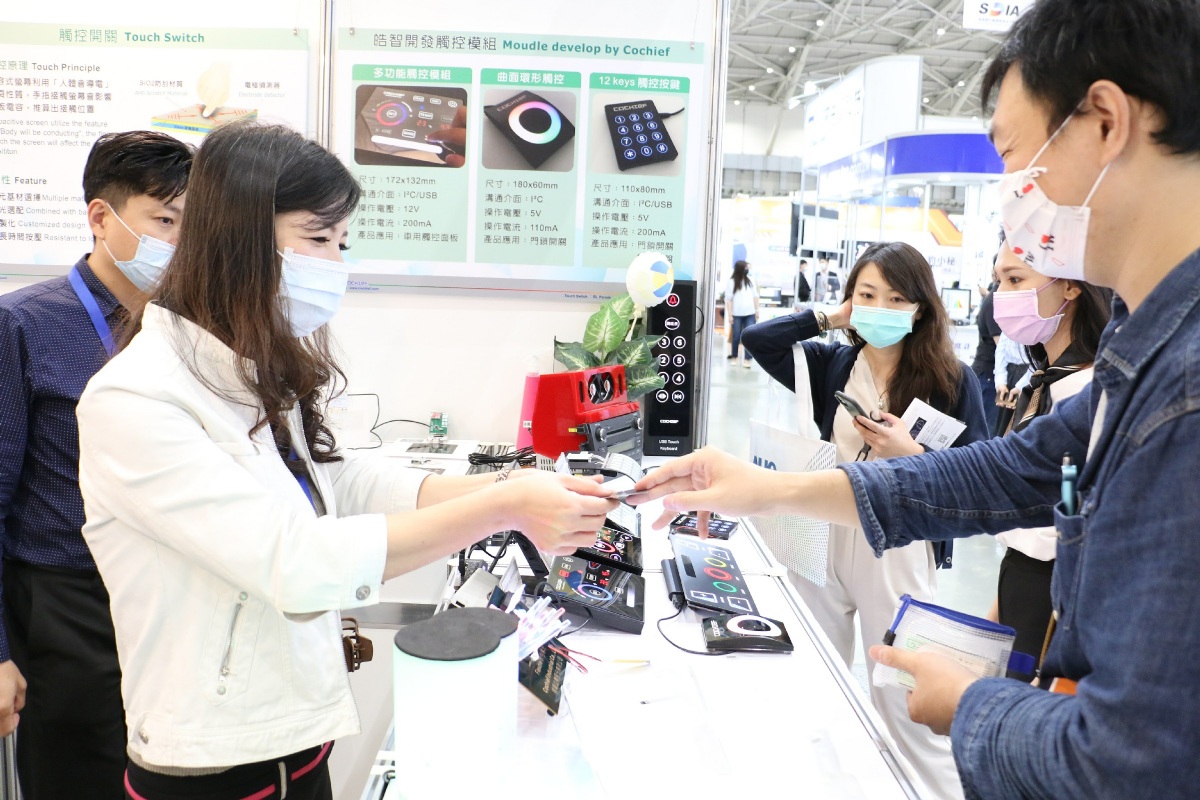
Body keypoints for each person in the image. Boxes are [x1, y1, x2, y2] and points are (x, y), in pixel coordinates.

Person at [631, 0, 1200, 795]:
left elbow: (1133, 759)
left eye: (1015, 157)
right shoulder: (1141, 353)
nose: (1011, 194)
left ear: (1105, 122)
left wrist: (972, 706)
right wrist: (766, 488)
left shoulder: (1181, 392)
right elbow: (1004, 472)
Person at [74, 123, 616, 800]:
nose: (334, 263)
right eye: (318, 238)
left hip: (299, 736)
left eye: (342, 243)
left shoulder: (245, 367)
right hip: (212, 759)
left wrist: (506, 484)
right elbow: (296, 562)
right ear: (240, 237)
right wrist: (503, 507)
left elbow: (334, 482)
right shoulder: (136, 399)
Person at [742, 241, 986, 800]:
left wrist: (912, 454)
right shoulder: (832, 363)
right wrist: (830, 317)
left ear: (920, 307)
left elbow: (979, 473)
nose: (880, 308)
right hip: (822, 529)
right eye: (868, 295)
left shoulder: (951, 380)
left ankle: (937, 791)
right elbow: (759, 340)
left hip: (899, 541)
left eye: (896, 298)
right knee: (814, 667)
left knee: (900, 688)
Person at [0, 130, 194, 799]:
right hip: (69, 607)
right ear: (101, 217)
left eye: (192, 225)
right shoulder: (22, 325)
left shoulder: (187, 329)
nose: (180, 242)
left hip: (172, 599)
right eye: (164, 221)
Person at [986, 244, 1111, 679]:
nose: (1001, 295)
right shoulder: (1040, 380)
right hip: (1020, 580)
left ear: (1071, 285)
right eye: (998, 281)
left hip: (1060, 594)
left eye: (1015, 280)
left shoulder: (1089, 393)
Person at [969, 270, 1002, 433]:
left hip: (992, 374)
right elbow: (1001, 344)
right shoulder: (994, 302)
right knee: (986, 431)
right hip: (988, 375)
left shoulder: (996, 299)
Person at [991, 331, 1028, 435]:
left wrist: (1022, 385)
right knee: (1003, 425)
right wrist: (1000, 382)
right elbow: (1000, 351)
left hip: (1029, 377)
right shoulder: (1007, 327)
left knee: (1020, 426)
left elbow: (1040, 360)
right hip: (1008, 377)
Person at [724, 259, 759, 367]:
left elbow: (755, 296)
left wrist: (757, 310)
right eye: (745, 268)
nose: (747, 269)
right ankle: (734, 357)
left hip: (750, 313)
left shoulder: (751, 280)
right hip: (736, 314)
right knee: (736, 336)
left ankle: (747, 359)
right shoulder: (731, 282)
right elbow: (728, 299)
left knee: (749, 336)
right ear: (740, 269)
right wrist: (730, 315)